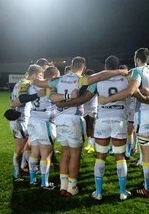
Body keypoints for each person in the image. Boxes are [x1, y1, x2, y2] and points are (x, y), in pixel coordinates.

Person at [55, 55, 149, 201]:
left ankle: (98, 192)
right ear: (118, 67)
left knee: (100, 157)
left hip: (102, 122)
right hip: (119, 121)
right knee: (120, 157)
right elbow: (140, 96)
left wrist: (64, 104)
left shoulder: (99, 80)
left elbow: (83, 99)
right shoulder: (126, 80)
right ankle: (122, 192)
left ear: (105, 66)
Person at [32, 56, 128, 197]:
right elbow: (100, 76)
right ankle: (72, 187)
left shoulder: (59, 80)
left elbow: (38, 82)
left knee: (65, 153)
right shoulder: (81, 79)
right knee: (75, 155)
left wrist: (36, 82)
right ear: (83, 68)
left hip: (59, 120)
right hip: (74, 120)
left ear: (71, 65)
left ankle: (62, 186)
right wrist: (120, 72)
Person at [98, 48, 149, 197]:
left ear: (136, 58)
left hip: (143, 113)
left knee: (146, 150)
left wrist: (107, 100)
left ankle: (147, 188)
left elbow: (130, 91)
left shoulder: (137, 71)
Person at [18, 66, 60, 190]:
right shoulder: (51, 86)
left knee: (34, 152)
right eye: (57, 76)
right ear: (53, 76)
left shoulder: (31, 86)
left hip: (32, 120)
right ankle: (44, 183)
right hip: (45, 122)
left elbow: (23, 98)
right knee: (46, 154)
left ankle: (32, 180)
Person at [8, 66, 36, 182]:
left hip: (21, 120)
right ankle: (17, 175)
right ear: (34, 74)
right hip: (20, 120)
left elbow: (11, 99)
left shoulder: (19, 83)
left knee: (27, 146)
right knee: (19, 149)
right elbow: (19, 101)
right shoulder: (26, 84)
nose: (40, 78)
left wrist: (12, 103)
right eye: (40, 75)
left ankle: (26, 169)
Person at [82, 69, 97, 154]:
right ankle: (88, 143)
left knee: (92, 124)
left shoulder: (95, 84)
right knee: (87, 125)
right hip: (85, 107)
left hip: (93, 107)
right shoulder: (83, 84)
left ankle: (92, 145)